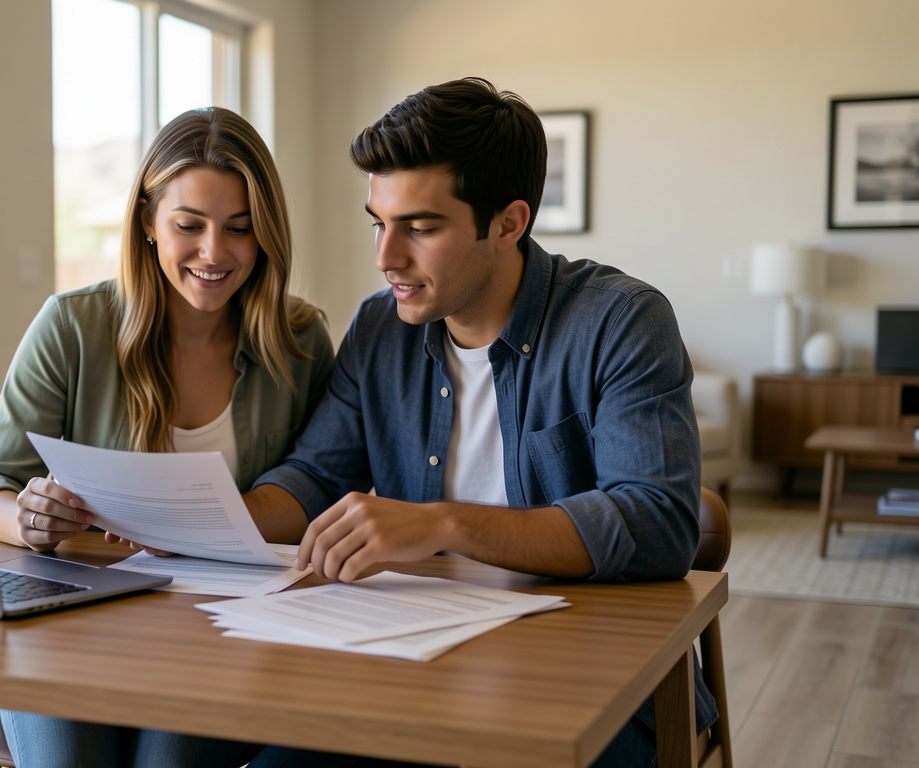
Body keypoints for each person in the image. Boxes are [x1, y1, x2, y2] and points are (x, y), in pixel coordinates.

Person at [240, 77, 717, 768]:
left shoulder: (620, 321)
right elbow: (316, 473)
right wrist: (198, 523)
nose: (385, 258)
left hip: (594, 682)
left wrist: (442, 522)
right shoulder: (381, 327)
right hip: (411, 663)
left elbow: (658, 523)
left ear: (508, 222)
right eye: (379, 222)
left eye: (421, 228)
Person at [0, 107, 335, 768]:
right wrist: (28, 520)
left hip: (229, 626)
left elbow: (321, 483)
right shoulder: (71, 328)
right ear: (147, 222)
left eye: (240, 229)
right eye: (188, 225)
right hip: (75, 622)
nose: (213, 253)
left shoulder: (300, 341)